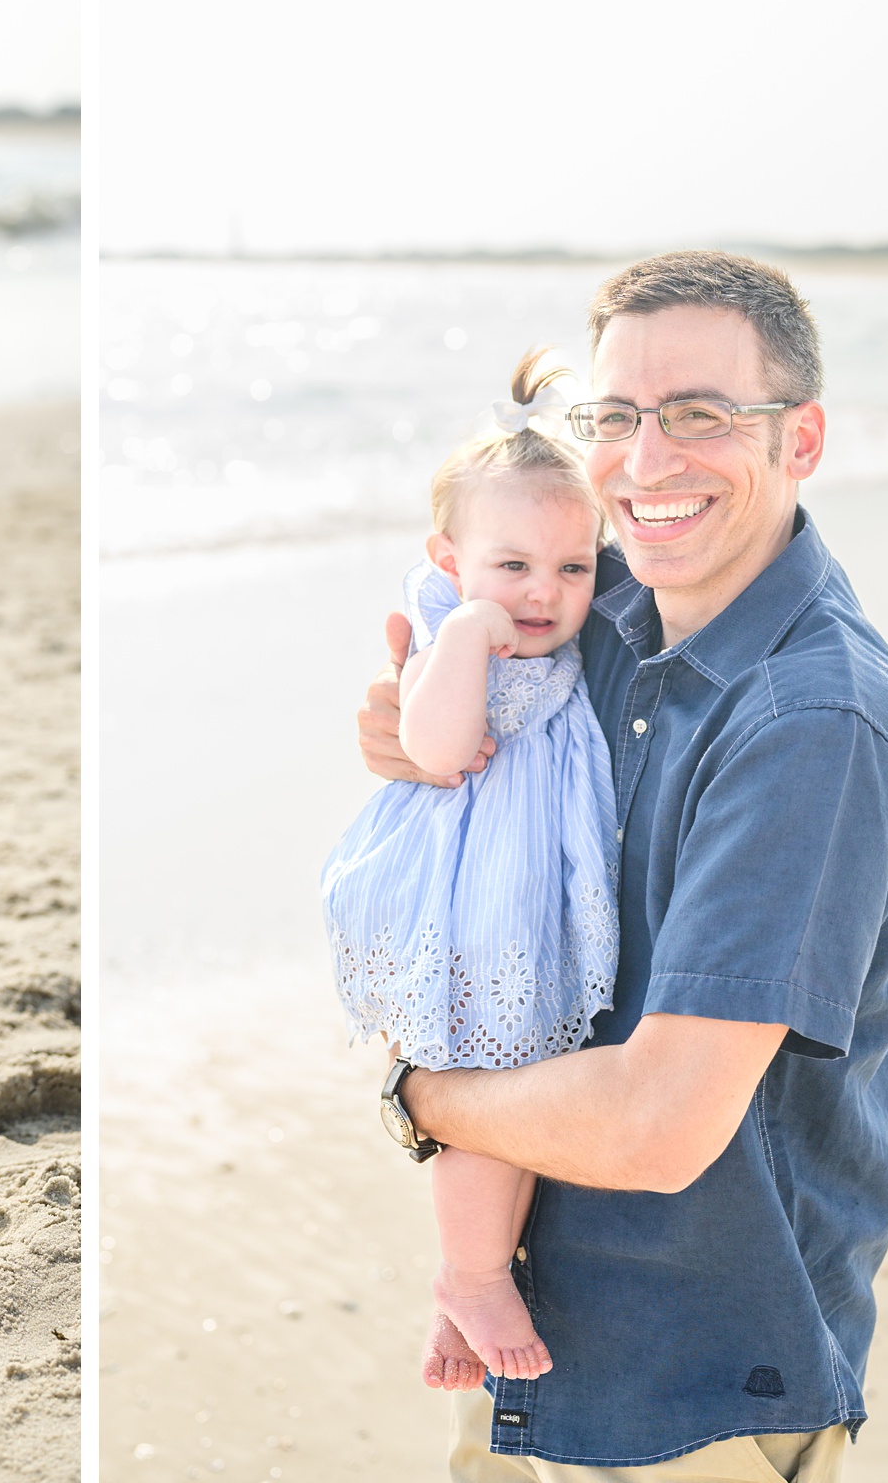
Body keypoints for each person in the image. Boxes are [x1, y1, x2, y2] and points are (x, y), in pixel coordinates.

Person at [356, 253, 888, 1482]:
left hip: (699, 1389)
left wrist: (421, 1096)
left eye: (703, 416)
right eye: (618, 420)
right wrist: (406, 726)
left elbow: (660, 1125)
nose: (648, 459)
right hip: (535, 1328)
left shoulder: (809, 726)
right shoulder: (607, 611)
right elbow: (515, 508)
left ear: (805, 438)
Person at [321, 348, 619, 1391]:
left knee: (521, 1093)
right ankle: (474, 1270)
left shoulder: (542, 616)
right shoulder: (458, 633)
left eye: (572, 568)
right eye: (513, 567)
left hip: (521, 896)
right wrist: (468, 637)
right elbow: (441, 749)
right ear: (449, 559)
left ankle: (463, 1295)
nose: (544, 593)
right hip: (471, 903)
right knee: (491, 1091)